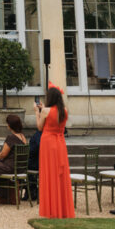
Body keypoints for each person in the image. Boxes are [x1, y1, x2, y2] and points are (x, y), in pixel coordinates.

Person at [35, 84, 73, 218]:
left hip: (48, 142)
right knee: (60, 174)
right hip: (60, 143)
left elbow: (40, 127)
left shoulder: (45, 111)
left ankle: (51, 208)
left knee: (49, 173)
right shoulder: (65, 111)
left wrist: (37, 112)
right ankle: (62, 207)